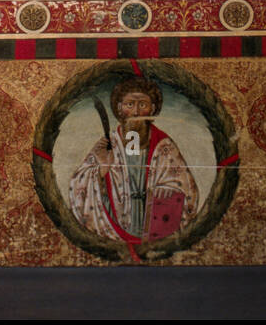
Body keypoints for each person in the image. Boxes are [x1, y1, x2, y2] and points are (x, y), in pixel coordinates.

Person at [68, 77, 199, 251]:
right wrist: (100, 170)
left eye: (142, 105)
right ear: (120, 108)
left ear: (152, 109)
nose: (136, 111)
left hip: (153, 225)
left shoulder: (164, 145)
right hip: (116, 226)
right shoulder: (107, 145)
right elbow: (78, 185)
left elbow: (185, 186)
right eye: (130, 105)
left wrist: (169, 187)